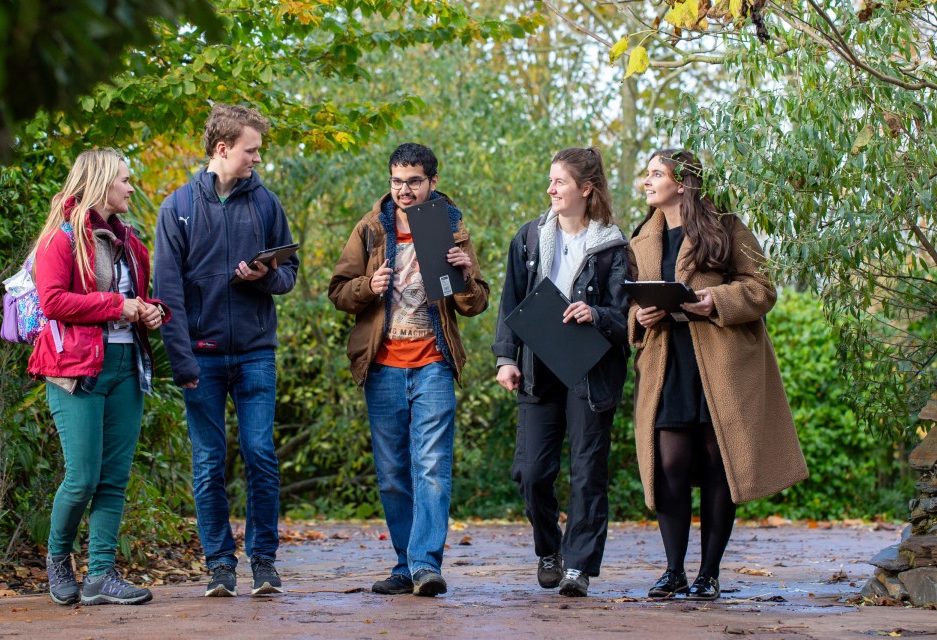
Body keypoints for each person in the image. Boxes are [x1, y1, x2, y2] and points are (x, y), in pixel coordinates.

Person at [628, 149, 807, 601]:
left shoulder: (724, 226)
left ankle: (709, 573)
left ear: (682, 182)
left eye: (655, 174)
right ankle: (673, 571)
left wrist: (715, 301)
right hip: (667, 362)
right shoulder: (640, 237)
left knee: (716, 465)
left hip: (723, 365)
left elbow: (763, 288)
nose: (645, 182)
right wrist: (639, 318)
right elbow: (628, 302)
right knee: (667, 465)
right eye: (647, 174)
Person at [327, 143, 490, 597]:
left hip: (434, 362)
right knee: (393, 472)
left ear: (432, 182)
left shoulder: (449, 226)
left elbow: (475, 304)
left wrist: (464, 274)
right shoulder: (369, 229)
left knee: (432, 466)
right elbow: (338, 291)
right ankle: (404, 563)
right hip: (381, 366)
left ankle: (424, 565)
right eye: (397, 181)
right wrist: (367, 285)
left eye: (414, 181)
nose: (404, 189)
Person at [154, 104, 299, 598]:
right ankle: (219, 565)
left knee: (260, 454)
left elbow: (289, 275)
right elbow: (167, 293)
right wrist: (182, 361)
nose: (257, 159)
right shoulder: (176, 208)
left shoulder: (266, 204)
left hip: (257, 352)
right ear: (223, 149)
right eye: (251, 150)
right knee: (208, 461)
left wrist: (266, 279)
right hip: (202, 355)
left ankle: (264, 563)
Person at [30, 149, 167, 606]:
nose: (132, 188)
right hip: (76, 371)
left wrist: (150, 311)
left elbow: (139, 298)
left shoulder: (129, 241)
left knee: (113, 478)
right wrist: (117, 307)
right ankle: (57, 559)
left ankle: (101, 575)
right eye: (125, 180)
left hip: (128, 368)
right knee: (82, 477)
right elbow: (52, 301)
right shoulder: (62, 238)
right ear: (103, 183)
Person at [491, 147, 630, 598]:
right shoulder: (529, 237)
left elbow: (625, 314)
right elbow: (511, 301)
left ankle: (578, 567)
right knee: (531, 473)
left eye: (559, 182)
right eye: (550, 181)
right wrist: (505, 357)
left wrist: (595, 313)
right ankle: (549, 549)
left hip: (591, 370)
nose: (550, 189)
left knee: (588, 470)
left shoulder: (613, 246)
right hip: (537, 366)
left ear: (585, 190)